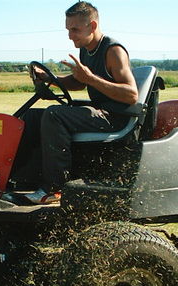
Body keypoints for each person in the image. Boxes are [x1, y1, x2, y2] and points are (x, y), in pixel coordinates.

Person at [19, 1, 138, 204]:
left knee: (55, 115)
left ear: (92, 26)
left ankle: (55, 189)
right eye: (68, 29)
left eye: (75, 29)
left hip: (116, 118)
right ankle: (21, 181)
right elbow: (78, 82)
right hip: (99, 112)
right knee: (31, 116)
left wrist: (90, 78)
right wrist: (50, 79)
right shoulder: (86, 48)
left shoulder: (113, 51)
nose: (70, 35)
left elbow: (131, 95)